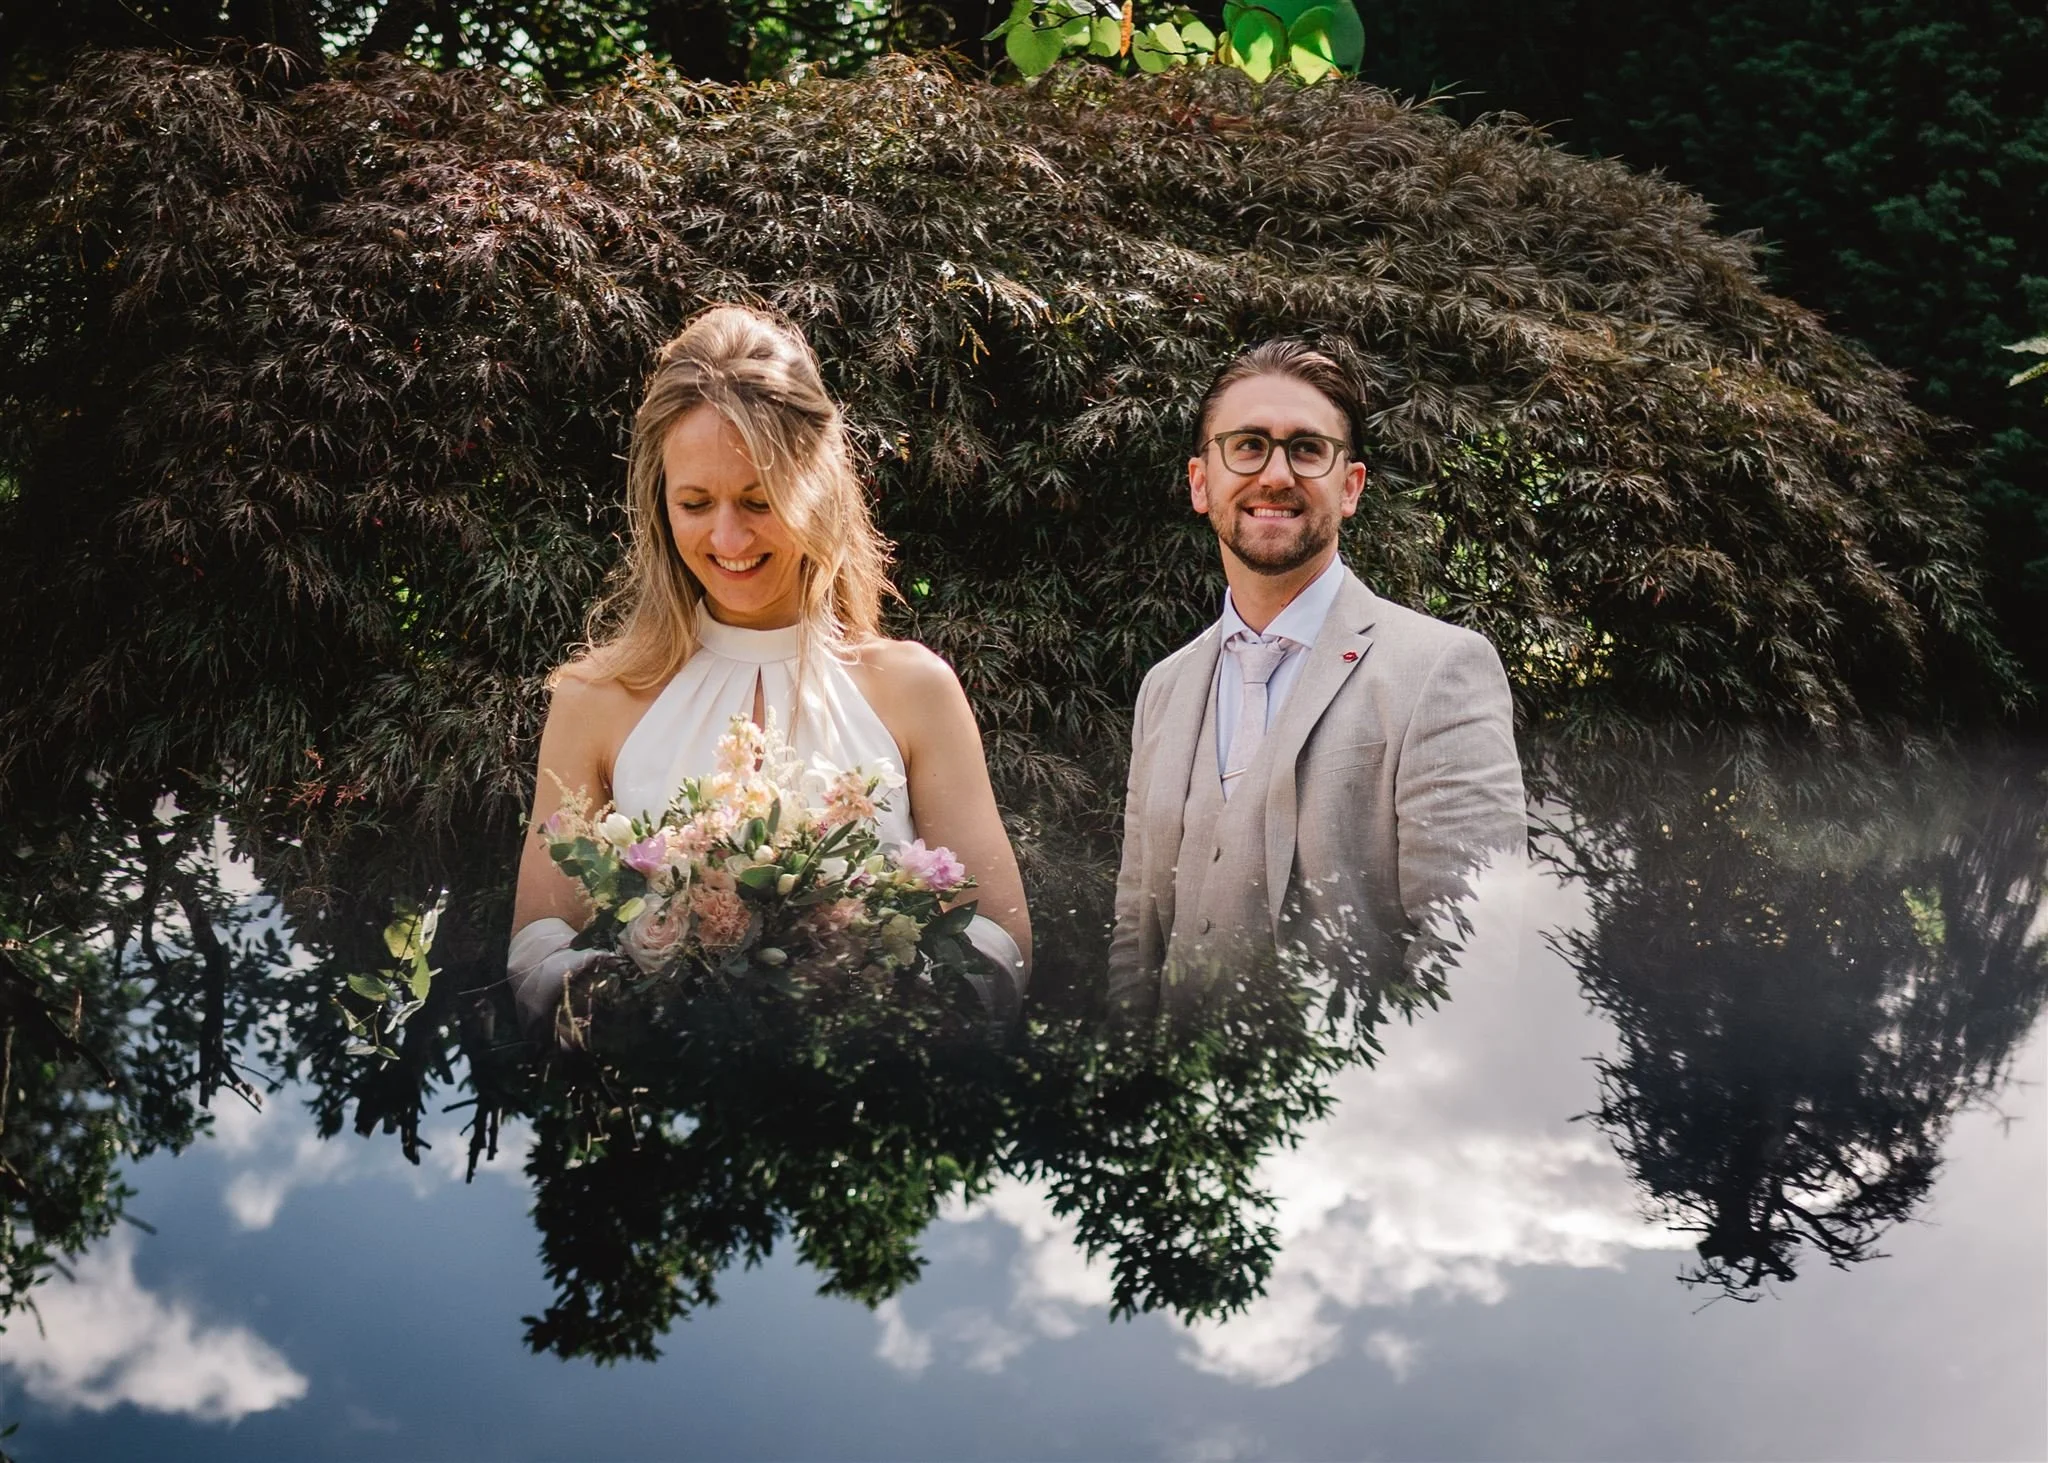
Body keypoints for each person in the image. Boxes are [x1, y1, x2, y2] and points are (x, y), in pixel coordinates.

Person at [508, 305, 1030, 1038]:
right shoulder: (595, 698)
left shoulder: (914, 691)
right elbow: (538, 942)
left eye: (759, 500)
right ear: (660, 502)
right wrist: (621, 1006)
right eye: (695, 502)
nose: (727, 536)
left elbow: (998, 941)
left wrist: (882, 995)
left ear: (816, 486)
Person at [1108, 339, 1524, 1018]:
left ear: (1350, 485)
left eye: (1308, 449)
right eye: (1247, 446)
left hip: (1352, 1115)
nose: (1275, 475)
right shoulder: (1165, 686)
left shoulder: (1441, 668)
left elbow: (1469, 949)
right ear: (1200, 480)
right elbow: (1135, 936)